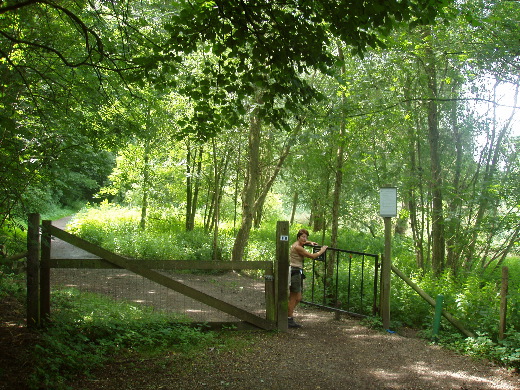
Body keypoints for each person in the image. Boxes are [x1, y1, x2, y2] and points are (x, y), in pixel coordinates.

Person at [288, 228, 328, 328]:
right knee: (293, 297)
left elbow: (304, 242)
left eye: (306, 237)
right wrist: (322, 250)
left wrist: (310, 242)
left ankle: (287, 314)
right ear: (298, 237)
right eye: (303, 237)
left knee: (298, 298)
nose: (305, 239)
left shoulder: (298, 243)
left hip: (297, 271)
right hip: (295, 272)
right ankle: (288, 319)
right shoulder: (298, 247)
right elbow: (312, 256)